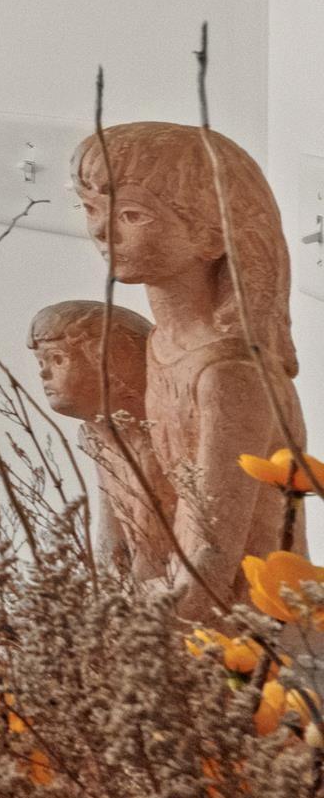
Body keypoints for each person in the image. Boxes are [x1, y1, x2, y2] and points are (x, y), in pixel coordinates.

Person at [74, 122, 309, 615]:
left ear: (210, 234)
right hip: (171, 603)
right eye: (90, 208)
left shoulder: (230, 373)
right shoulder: (160, 343)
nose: (100, 230)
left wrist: (136, 634)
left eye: (132, 215)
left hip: (239, 631)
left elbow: (214, 551)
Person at [26, 299, 171, 581]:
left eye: (57, 359)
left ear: (114, 363)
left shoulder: (157, 437)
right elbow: (112, 535)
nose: (43, 373)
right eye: (41, 362)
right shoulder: (98, 436)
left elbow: (155, 546)